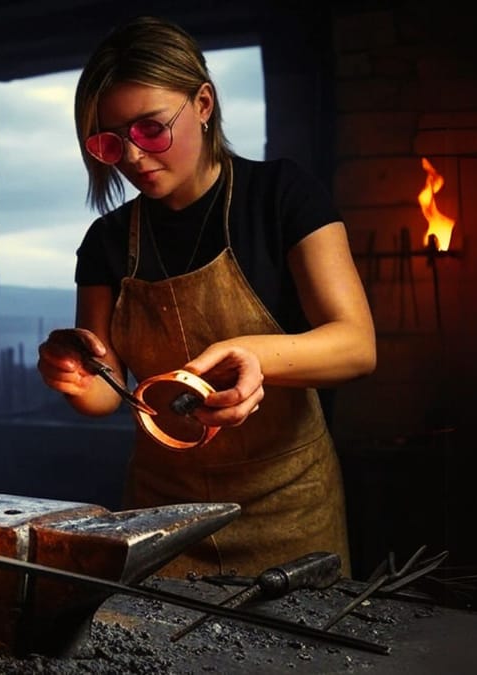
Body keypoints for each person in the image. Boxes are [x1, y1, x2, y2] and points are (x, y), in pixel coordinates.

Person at [36, 15, 375, 579]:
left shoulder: (282, 198)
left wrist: (252, 353)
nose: (133, 158)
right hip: (164, 514)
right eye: (109, 142)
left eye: (150, 129)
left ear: (203, 103)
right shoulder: (106, 242)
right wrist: (73, 375)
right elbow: (103, 393)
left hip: (289, 507)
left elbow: (357, 346)